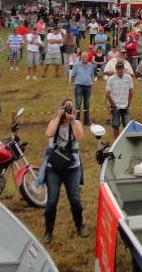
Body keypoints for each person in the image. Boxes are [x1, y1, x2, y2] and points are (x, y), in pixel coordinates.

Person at [41, 99, 88, 243]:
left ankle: (80, 225)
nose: (67, 109)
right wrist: (58, 116)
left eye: (70, 107)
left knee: (75, 199)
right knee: (52, 200)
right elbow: (49, 133)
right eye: (65, 106)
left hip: (72, 168)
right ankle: (48, 231)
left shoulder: (76, 123)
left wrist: (72, 120)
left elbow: (79, 137)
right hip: (54, 168)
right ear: (60, 108)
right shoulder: (54, 122)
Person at [106, 62, 134, 136]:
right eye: (118, 69)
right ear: (116, 69)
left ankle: (126, 140)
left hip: (125, 106)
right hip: (115, 106)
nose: (120, 70)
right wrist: (113, 104)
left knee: (127, 126)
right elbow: (107, 93)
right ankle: (116, 140)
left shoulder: (128, 78)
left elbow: (131, 91)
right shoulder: (111, 79)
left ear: (123, 69)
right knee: (116, 125)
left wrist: (128, 102)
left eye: (121, 69)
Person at [70, 53, 97, 125]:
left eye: (85, 57)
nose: (84, 58)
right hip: (78, 86)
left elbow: (92, 76)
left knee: (87, 104)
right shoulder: (76, 65)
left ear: (88, 57)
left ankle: (86, 120)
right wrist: (72, 84)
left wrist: (91, 82)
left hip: (88, 86)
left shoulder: (91, 66)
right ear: (80, 57)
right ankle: (76, 120)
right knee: (78, 103)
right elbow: (73, 76)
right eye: (83, 57)